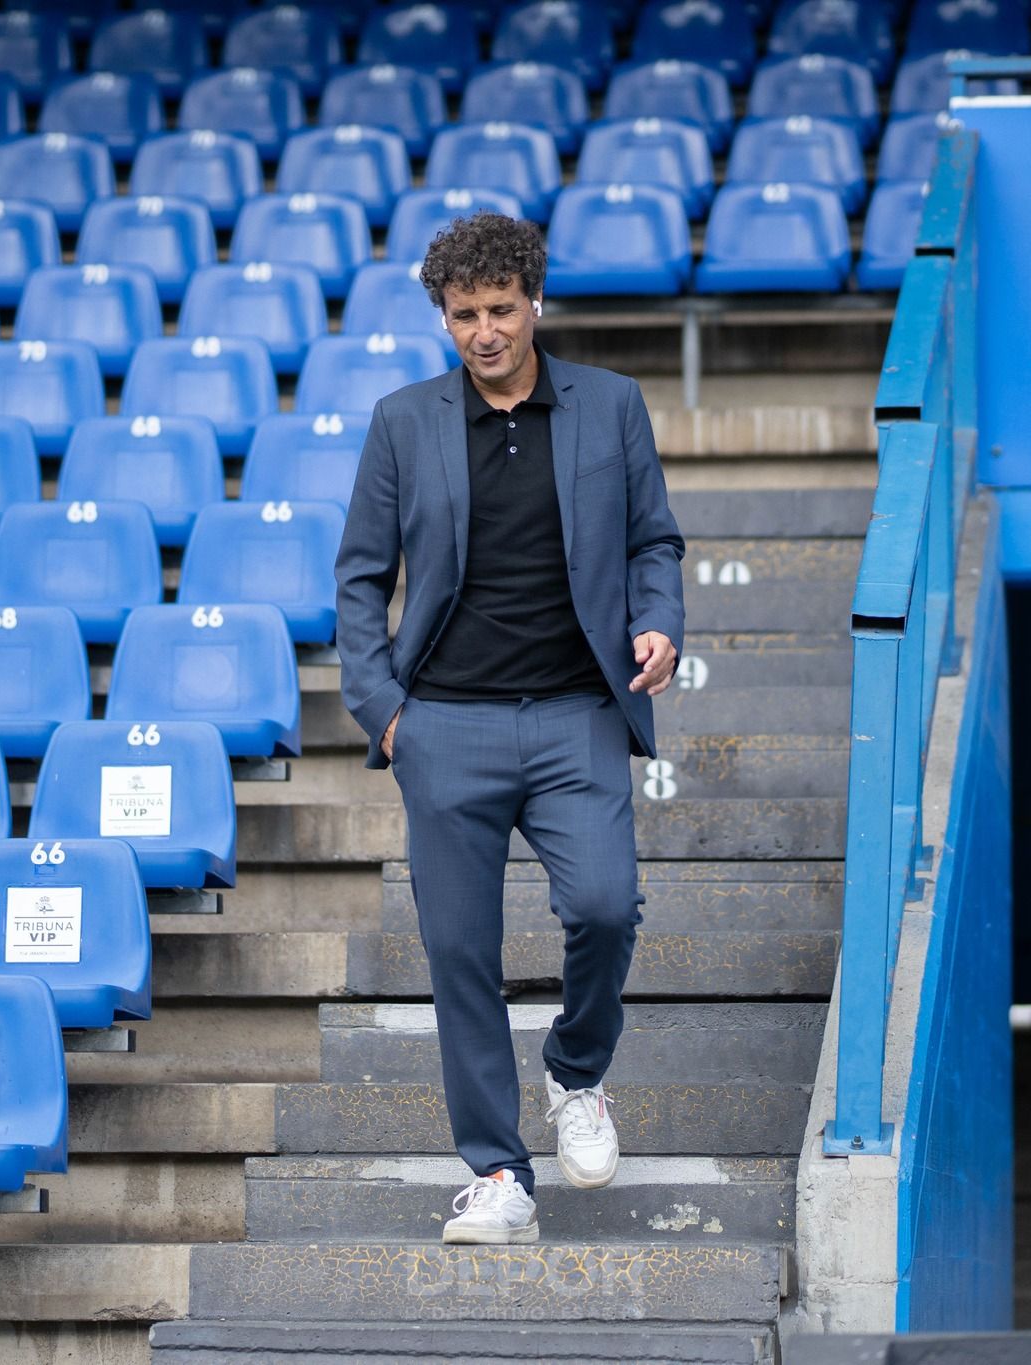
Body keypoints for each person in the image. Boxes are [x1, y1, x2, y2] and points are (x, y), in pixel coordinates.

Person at [334, 213, 687, 1244]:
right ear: (442, 318)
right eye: (462, 315)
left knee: (606, 907)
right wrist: (384, 713)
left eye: (499, 309)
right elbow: (359, 578)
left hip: (577, 715)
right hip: (444, 725)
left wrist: (658, 619)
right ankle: (497, 1173)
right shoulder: (403, 421)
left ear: (535, 301)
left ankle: (576, 1072)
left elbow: (653, 540)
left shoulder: (610, 405)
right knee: (459, 954)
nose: (483, 332)